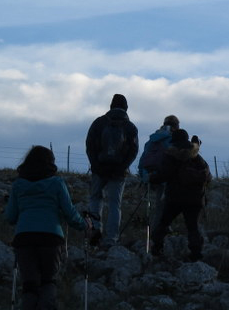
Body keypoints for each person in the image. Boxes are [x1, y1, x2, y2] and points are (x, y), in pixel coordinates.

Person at [3, 146, 90, 310]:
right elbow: (69, 212)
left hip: (24, 238)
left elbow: (10, 217)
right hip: (51, 237)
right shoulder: (57, 183)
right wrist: (84, 225)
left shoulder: (19, 185)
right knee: (48, 281)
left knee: (29, 285)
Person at [85, 93, 139, 247]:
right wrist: (122, 167)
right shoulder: (130, 127)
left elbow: (90, 145)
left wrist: (95, 164)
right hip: (118, 172)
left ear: (110, 106)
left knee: (95, 200)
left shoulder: (99, 122)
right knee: (115, 204)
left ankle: (95, 233)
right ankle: (112, 238)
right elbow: (133, 150)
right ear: (126, 108)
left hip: (99, 169)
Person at [149, 130, 211, 261]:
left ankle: (156, 248)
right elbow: (208, 176)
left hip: (175, 198)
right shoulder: (196, 156)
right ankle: (196, 254)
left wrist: (151, 178)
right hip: (195, 199)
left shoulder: (171, 155)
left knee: (164, 223)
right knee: (192, 226)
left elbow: (163, 175)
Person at [138, 115, 180, 234]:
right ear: (176, 126)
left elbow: (143, 158)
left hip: (151, 175)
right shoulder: (172, 140)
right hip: (165, 178)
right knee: (164, 207)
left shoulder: (153, 139)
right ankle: (158, 233)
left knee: (159, 207)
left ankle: (159, 230)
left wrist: (143, 175)